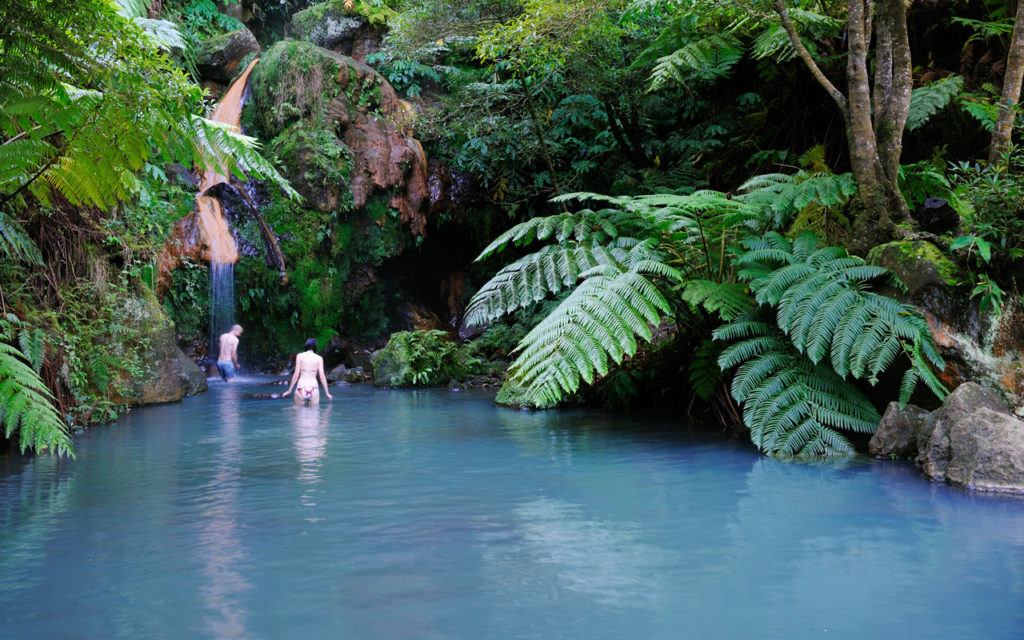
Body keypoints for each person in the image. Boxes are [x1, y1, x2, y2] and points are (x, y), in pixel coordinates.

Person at [281, 338, 333, 404]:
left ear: (306, 346)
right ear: (315, 346)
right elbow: (322, 377)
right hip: (313, 389)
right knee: (314, 412)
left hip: (301, 388)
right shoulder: (319, 358)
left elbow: (296, 375)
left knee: (297, 411)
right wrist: (327, 393)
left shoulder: (299, 356)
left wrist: (289, 390)